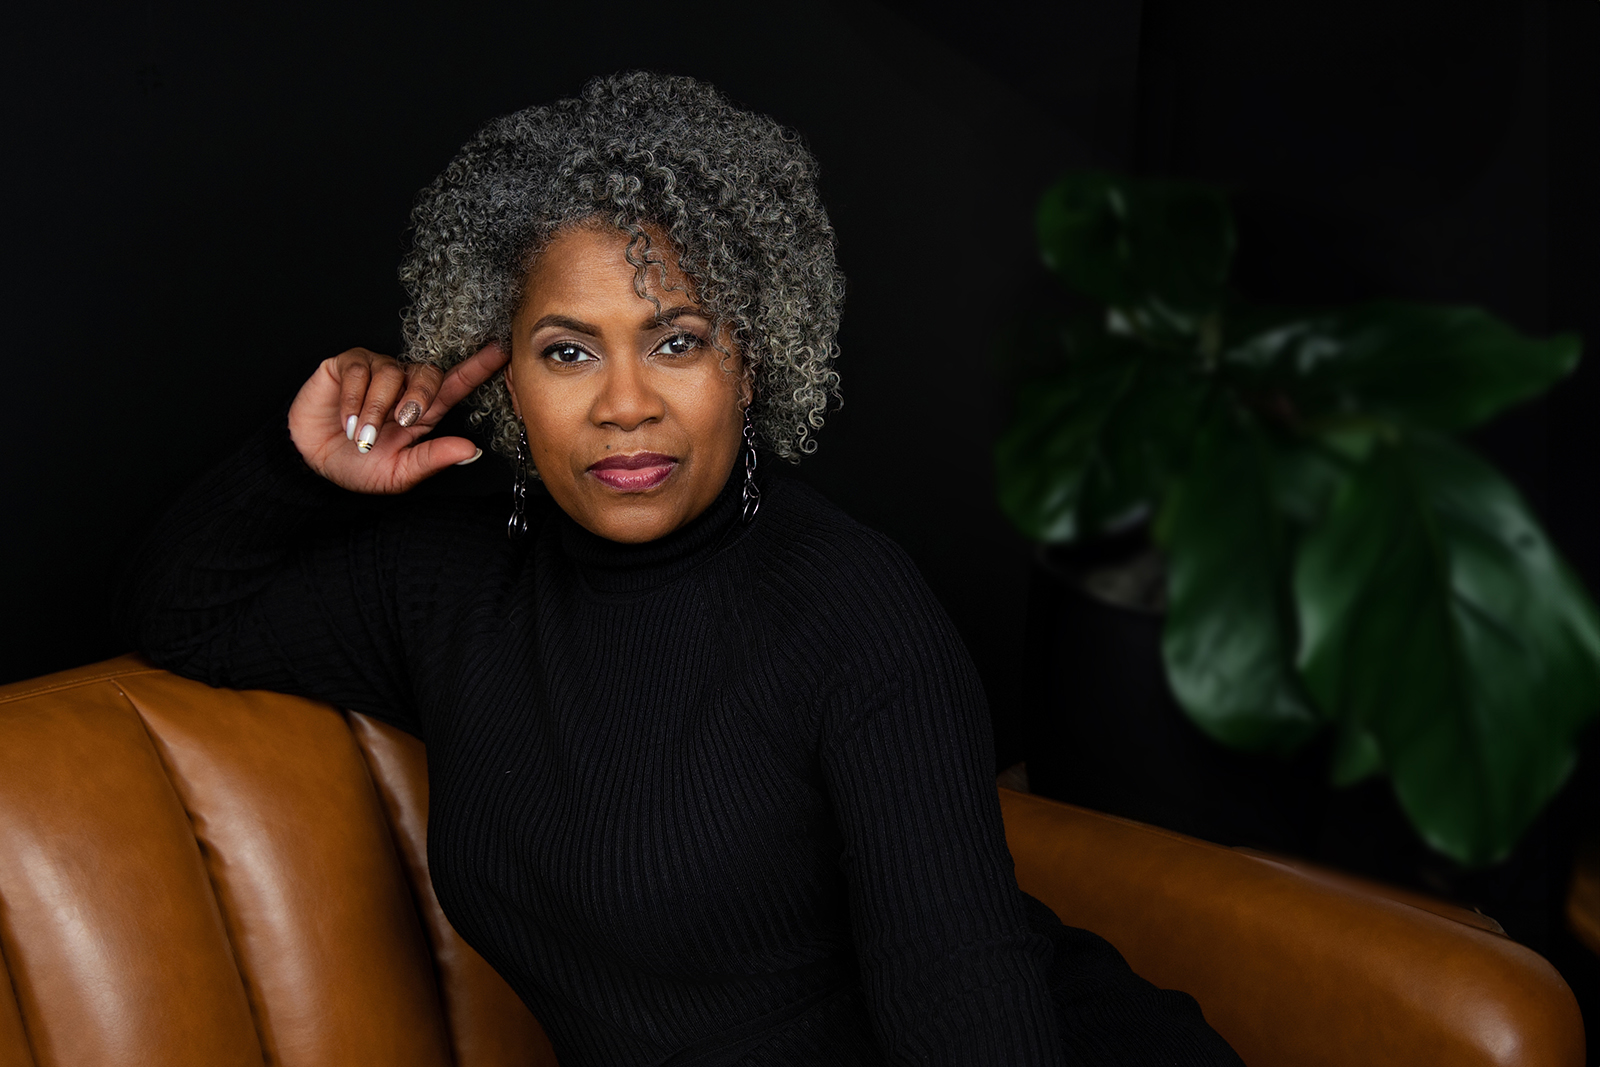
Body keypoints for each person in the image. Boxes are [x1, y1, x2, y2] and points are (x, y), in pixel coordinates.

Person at [122, 72, 1242, 1066]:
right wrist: (298, 462)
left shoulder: (849, 607)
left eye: (676, 340)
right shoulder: (452, 585)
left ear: (750, 362)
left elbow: (967, 1013)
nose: (624, 404)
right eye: (567, 350)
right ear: (503, 376)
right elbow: (194, 615)